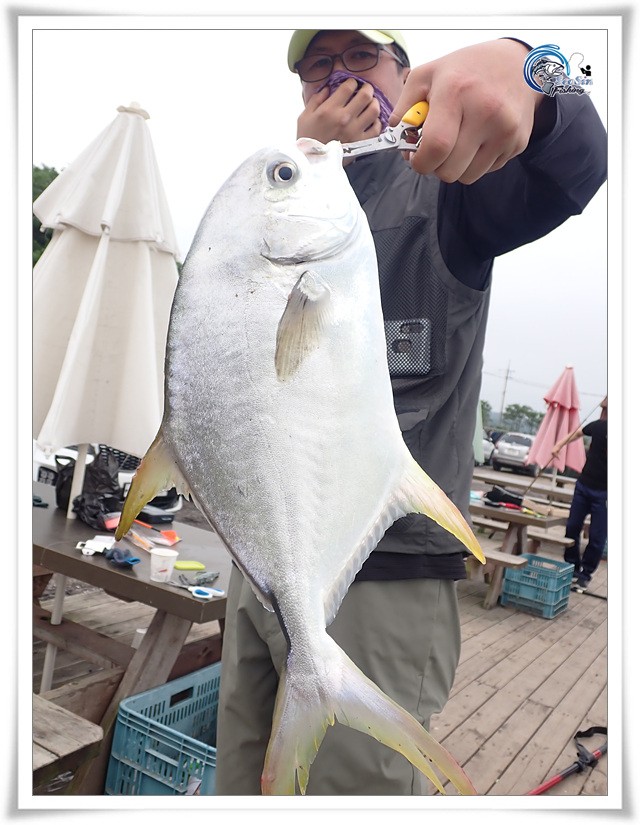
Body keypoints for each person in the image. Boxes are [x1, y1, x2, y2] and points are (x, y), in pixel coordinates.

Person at [215, 29, 607, 795]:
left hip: (388, 571)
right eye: (318, 67)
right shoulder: (265, 208)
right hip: (260, 562)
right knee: (240, 780)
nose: (340, 78)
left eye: (361, 58)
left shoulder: (448, 184)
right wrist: (301, 161)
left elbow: (580, 161)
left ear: (406, 75)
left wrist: (533, 68)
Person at [551, 397, 608, 590]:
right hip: (584, 486)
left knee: (597, 537)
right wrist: (558, 445)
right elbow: (577, 433)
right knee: (572, 527)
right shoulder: (599, 426)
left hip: (605, 492)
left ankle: (585, 574)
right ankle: (572, 567)